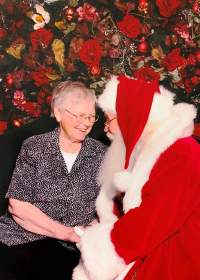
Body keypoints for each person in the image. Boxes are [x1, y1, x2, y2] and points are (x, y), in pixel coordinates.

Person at [73, 75, 200, 280]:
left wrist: (97, 244)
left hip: (177, 258)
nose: (106, 128)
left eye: (108, 119)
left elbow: (149, 223)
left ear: (130, 115)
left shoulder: (181, 153)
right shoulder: (146, 150)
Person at [0, 80, 106, 280]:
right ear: (58, 113)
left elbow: (103, 207)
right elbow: (18, 206)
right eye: (80, 115)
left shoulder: (100, 153)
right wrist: (66, 233)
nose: (86, 123)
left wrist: (91, 230)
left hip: (74, 248)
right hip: (22, 239)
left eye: (91, 116)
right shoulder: (34, 147)